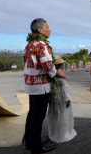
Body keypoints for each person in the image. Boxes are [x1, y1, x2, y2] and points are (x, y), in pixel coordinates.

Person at [24, 18, 65, 153]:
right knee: (38, 117)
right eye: (47, 27)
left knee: (32, 114)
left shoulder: (29, 45)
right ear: (40, 30)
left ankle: (30, 142)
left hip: (31, 85)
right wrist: (58, 73)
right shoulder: (41, 45)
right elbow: (47, 64)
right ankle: (36, 147)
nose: (50, 29)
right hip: (41, 86)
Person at [47, 55, 77, 143]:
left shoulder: (50, 73)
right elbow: (65, 87)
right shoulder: (60, 74)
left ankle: (54, 133)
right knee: (63, 114)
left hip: (53, 96)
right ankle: (62, 134)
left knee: (55, 115)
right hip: (61, 96)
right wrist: (68, 99)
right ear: (60, 65)